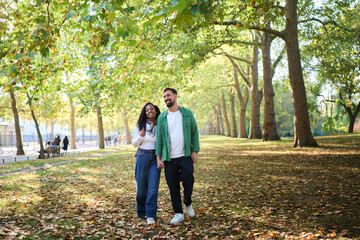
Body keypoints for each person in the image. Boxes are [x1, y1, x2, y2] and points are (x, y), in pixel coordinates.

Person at [155, 87, 200, 224]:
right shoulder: (162, 117)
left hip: (185, 155)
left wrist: (194, 151)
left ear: (175, 96)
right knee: (173, 186)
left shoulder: (187, 113)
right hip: (169, 158)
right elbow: (160, 139)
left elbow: (194, 132)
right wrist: (158, 158)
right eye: (164, 97)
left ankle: (187, 202)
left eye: (168, 95)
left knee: (188, 179)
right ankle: (178, 213)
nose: (166, 98)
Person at [132, 102, 161, 225]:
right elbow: (134, 144)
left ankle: (150, 215)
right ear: (144, 112)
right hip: (142, 155)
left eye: (152, 109)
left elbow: (163, 143)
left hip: (156, 157)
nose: (150, 111)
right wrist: (140, 136)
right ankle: (142, 211)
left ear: (155, 111)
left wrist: (161, 159)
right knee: (141, 189)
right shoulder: (140, 125)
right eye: (147, 110)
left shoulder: (160, 125)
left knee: (153, 188)